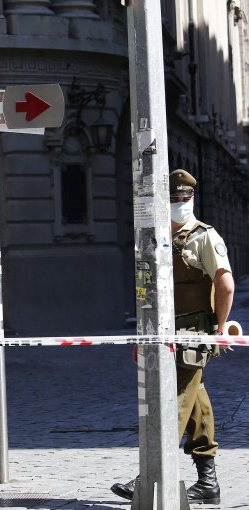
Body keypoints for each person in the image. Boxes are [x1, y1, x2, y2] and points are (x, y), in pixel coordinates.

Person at [111, 169, 233, 505]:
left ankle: (149, 477)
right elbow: (146, 290)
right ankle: (207, 483)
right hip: (162, 331)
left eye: (184, 198)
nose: (179, 203)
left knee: (173, 400)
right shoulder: (155, 236)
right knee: (196, 402)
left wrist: (220, 329)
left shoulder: (205, 236)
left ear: (193, 198)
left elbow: (225, 283)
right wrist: (143, 335)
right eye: (174, 198)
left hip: (192, 334)